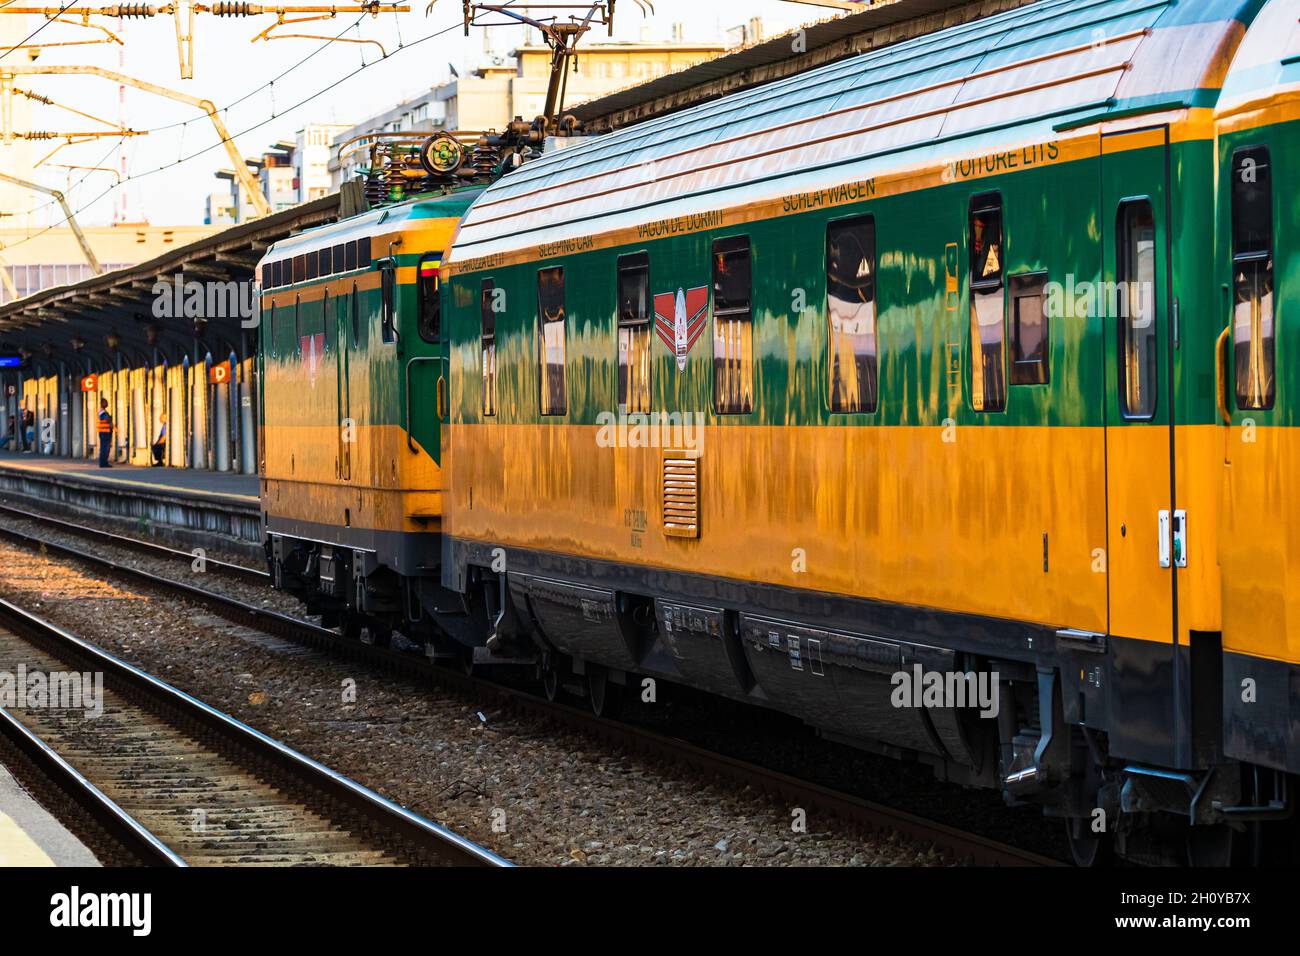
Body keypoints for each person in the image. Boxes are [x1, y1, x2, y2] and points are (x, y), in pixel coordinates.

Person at [96, 398, 114, 468]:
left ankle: (104, 462)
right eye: (105, 402)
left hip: (105, 431)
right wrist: (110, 418)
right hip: (104, 432)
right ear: (102, 403)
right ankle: (103, 462)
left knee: (105, 447)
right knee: (105, 447)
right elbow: (106, 419)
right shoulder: (102, 412)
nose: (107, 403)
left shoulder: (103, 411)